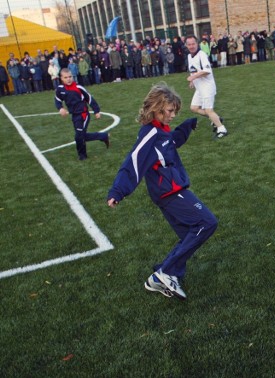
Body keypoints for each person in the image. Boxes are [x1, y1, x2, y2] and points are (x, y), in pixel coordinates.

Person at [107, 82, 218, 300]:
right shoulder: (149, 133)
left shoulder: (162, 131)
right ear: (156, 109)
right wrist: (118, 191)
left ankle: (170, 273)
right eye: (169, 111)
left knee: (188, 234)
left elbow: (170, 144)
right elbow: (134, 162)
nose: (173, 115)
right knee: (207, 222)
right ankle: (164, 273)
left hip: (169, 191)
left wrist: (185, 127)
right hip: (170, 192)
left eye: (175, 111)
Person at [54, 68, 109, 160]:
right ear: (61, 79)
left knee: (79, 136)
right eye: (66, 77)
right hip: (74, 116)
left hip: (83, 115)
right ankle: (103, 136)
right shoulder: (60, 89)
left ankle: (82, 156)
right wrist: (60, 108)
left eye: (70, 77)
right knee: (80, 136)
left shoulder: (78, 88)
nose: (68, 79)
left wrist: (96, 111)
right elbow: (57, 99)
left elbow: (90, 98)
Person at [185, 35, 228, 139]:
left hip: (207, 87)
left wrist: (193, 77)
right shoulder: (189, 56)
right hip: (199, 88)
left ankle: (222, 129)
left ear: (197, 44)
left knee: (208, 110)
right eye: (189, 44)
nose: (191, 46)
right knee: (194, 108)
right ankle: (216, 118)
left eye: (193, 44)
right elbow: (193, 70)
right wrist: (193, 80)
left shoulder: (202, 55)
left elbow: (207, 71)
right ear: (186, 45)